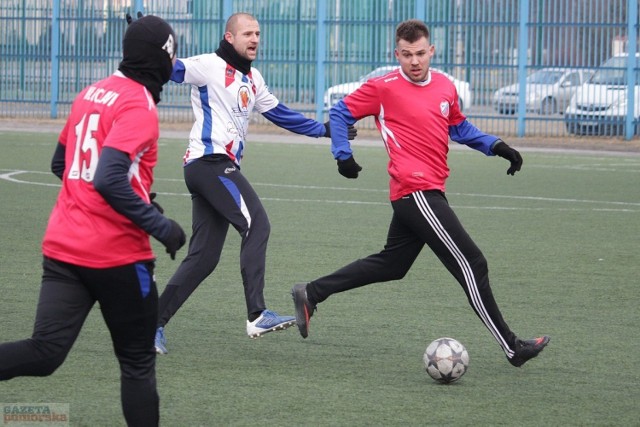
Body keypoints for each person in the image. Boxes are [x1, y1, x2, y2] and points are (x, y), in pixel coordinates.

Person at [291, 19, 550, 367]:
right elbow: (340, 113)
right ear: (396, 53)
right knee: (473, 264)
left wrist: (497, 145)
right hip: (416, 190)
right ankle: (512, 347)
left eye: (420, 54)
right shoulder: (382, 87)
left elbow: (459, 127)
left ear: (432, 51)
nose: (414, 61)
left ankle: (312, 292)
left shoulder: (444, 86)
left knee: (393, 263)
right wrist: (342, 154)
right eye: (406, 54)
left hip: (427, 190)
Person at [0, 14, 186, 426]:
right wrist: (161, 226)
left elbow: (60, 165)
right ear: (160, 59)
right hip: (117, 257)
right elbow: (106, 177)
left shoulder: (91, 92)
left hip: (64, 248)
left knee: (45, 352)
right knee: (137, 363)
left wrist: (135, 199)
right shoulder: (139, 104)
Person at [153, 12, 356, 353]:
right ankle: (256, 313)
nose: (255, 39)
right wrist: (150, 46)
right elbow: (171, 69)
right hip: (209, 164)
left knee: (203, 258)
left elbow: (280, 114)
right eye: (247, 33)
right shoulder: (209, 65)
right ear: (229, 37)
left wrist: (325, 129)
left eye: (258, 33)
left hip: (214, 169)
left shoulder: (253, 78)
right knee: (256, 224)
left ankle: (152, 325)